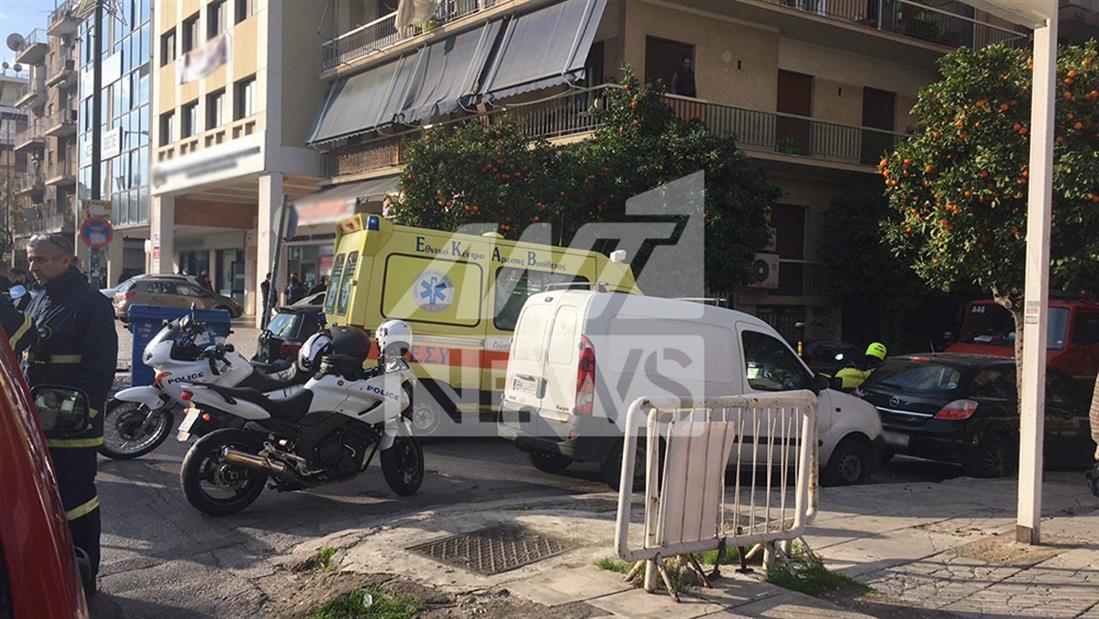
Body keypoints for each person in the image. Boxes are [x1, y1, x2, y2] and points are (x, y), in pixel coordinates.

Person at [0, 233, 117, 596]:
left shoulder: (93, 304)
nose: (33, 266)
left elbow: (100, 371)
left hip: (73, 427)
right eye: (31, 259)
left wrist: (82, 413)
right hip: (39, 421)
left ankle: (85, 575)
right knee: (46, 503)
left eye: (41, 259)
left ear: (67, 260)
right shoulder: (38, 299)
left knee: (77, 500)